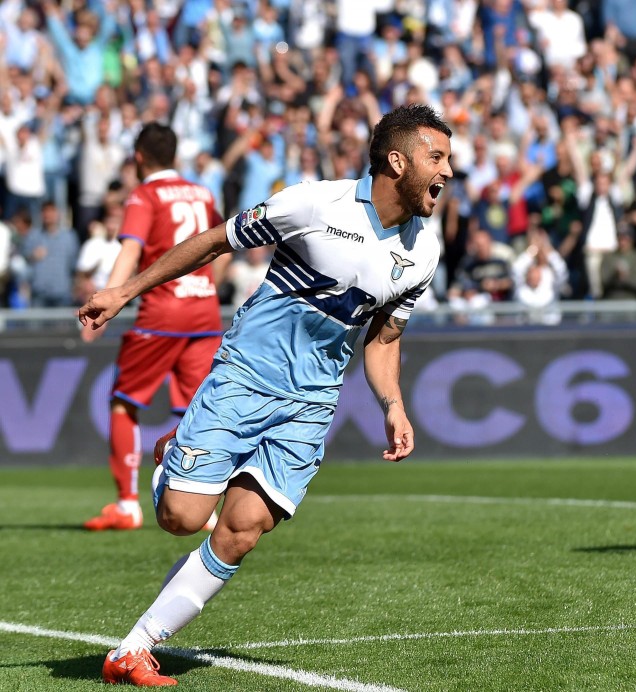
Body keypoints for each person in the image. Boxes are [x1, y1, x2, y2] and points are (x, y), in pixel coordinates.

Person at [79, 104, 452, 686]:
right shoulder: (313, 204)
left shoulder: (423, 251)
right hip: (246, 376)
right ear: (397, 162)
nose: (447, 171)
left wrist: (393, 405)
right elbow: (213, 243)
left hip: (311, 403)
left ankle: (135, 648)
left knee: (242, 529)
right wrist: (124, 292)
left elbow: (383, 339)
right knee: (181, 517)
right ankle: (175, 455)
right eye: (437, 157)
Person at [82, 123, 226, 533]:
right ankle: (200, 506)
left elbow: (130, 250)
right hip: (205, 311)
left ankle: (127, 504)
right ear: (176, 156)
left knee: (124, 401)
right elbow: (222, 245)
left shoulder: (144, 195)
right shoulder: (202, 193)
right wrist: (207, 287)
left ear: (139, 157)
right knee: (195, 411)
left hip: (163, 314)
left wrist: (109, 299)